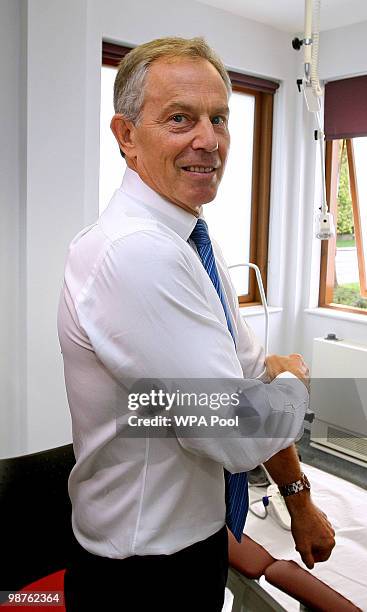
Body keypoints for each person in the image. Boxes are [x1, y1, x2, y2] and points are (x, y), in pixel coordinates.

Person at [58, 36, 335, 611]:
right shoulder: (139, 254)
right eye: (180, 118)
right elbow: (234, 430)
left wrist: (296, 494)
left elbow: (248, 371)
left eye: (219, 120)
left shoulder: (186, 243)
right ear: (126, 136)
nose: (207, 141)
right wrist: (295, 385)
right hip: (144, 576)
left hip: (186, 546)